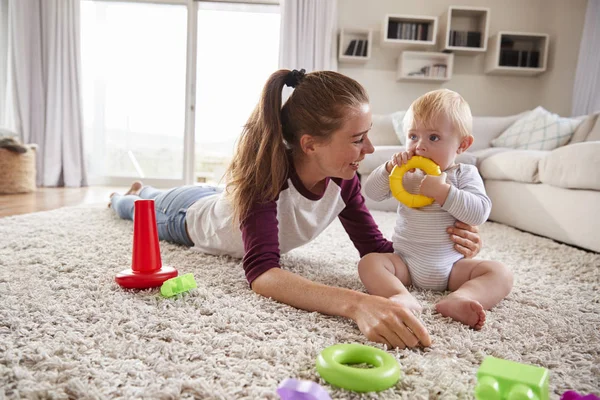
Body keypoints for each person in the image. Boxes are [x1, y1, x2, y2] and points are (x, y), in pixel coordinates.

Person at [109, 69, 484, 349]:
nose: (370, 149)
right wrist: (357, 304)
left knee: (203, 193)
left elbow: (374, 247)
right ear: (310, 145)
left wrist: (444, 242)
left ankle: (152, 192)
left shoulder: (345, 180)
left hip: (218, 197)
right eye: (358, 139)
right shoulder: (266, 180)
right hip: (188, 218)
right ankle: (127, 195)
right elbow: (263, 274)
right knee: (137, 206)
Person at [358, 89, 513, 330]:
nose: (420, 146)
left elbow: (479, 212)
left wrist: (444, 193)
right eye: (413, 136)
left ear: (462, 145)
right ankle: (399, 295)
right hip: (405, 263)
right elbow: (372, 193)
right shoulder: (408, 173)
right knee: (369, 263)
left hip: (452, 268)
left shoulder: (464, 174)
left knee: (500, 273)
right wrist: (388, 168)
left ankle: (460, 299)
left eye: (433, 138)